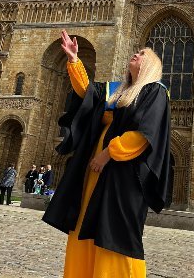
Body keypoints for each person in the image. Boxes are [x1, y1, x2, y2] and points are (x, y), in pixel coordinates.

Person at [42, 30, 171, 277]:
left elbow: (145, 133)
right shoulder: (120, 91)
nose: (136, 53)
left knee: (114, 232)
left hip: (123, 174)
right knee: (86, 223)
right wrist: (73, 60)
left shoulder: (154, 91)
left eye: (142, 54)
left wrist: (108, 153)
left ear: (151, 66)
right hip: (97, 174)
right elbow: (89, 94)